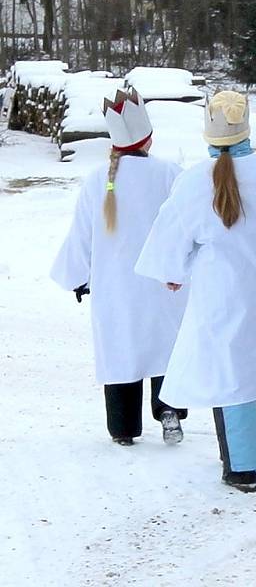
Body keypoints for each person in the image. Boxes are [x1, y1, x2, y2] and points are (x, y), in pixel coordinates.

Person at [135, 91, 256, 493]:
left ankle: (240, 466)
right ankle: (238, 458)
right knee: (244, 373)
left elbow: (172, 233)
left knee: (230, 374)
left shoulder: (192, 180)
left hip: (219, 294)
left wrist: (172, 270)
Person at [50, 88, 188, 447]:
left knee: (121, 349)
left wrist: (79, 277)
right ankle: (169, 410)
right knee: (166, 344)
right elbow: (187, 227)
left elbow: (82, 234)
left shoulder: (98, 179)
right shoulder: (171, 173)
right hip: (163, 285)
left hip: (115, 289)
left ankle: (123, 428)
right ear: (149, 138)